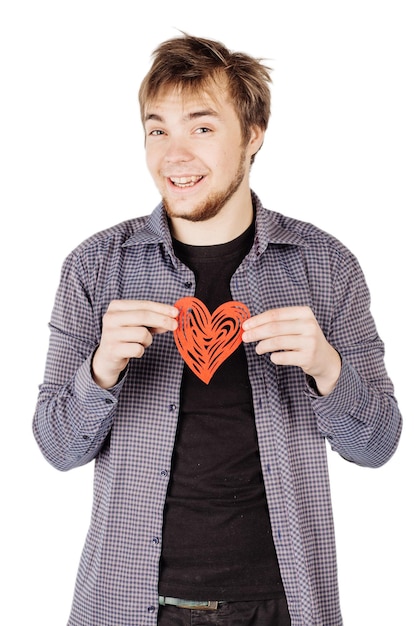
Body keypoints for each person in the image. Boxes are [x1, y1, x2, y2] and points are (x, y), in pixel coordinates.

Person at [33, 33, 402, 626]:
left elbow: (378, 444)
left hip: (284, 604)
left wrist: (327, 369)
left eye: (201, 128)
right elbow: (56, 447)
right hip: (132, 604)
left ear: (253, 135)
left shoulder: (324, 265)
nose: (174, 155)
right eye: (158, 130)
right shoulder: (95, 266)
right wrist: (98, 372)